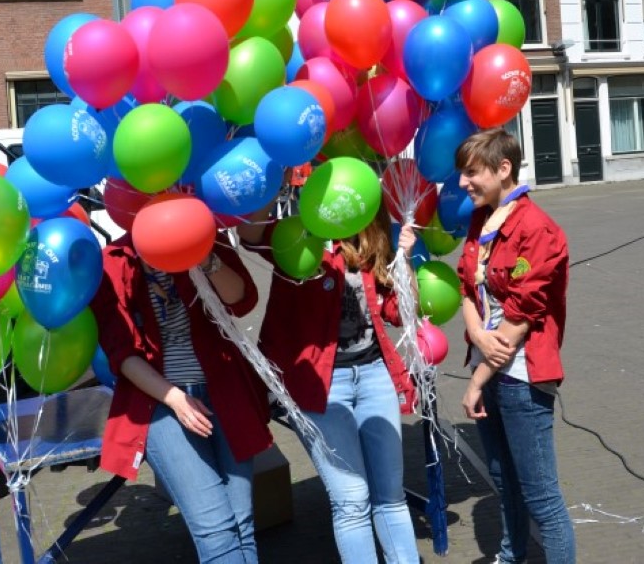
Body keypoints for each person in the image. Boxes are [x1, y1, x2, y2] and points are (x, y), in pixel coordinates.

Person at [240, 204, 421, 564]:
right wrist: (277, 178)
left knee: (390, 496)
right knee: (352, 500)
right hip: (320, 385)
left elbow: (399, 313)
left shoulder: (373, 238)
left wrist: (405, 259)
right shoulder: (299, 234)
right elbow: (250, 233)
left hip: (375, 376)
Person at [90, 234, 271, 564]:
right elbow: (122, 354)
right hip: (160, 402)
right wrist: (174, 398)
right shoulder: (113, 261)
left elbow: (243, 300)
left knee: (242, 523)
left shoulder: (203, 236)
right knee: (216, 529)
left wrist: (203, 257)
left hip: (226, 391)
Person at [454, 128, 576, 563]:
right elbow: (465, 287)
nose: (463, 183)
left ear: (503, 169)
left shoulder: (537, 229)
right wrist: (477, 335)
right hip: (488, 366)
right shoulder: (481, 219)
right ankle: (511, 556)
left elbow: (519, 321)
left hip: (521, 377)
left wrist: (475, 382)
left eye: (472, 173)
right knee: (504, 481)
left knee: (541, 497)